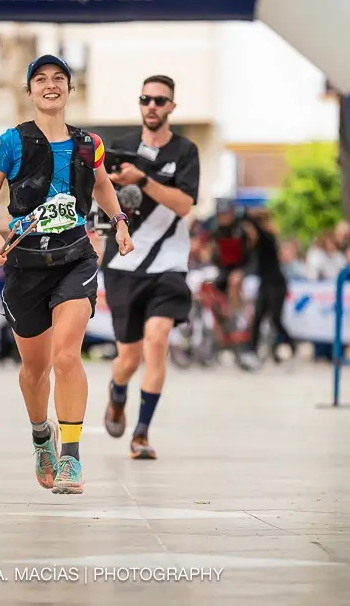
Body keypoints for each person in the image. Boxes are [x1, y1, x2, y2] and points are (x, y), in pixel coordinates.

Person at [0, 54, 134, 494]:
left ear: (69, 88)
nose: (50, 85)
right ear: (29, 92)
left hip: (75, 259)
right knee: (35, 370)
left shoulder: (89, 144)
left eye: (58, 79)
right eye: (40, 79)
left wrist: (119, 222)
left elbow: (101, 185)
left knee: (67, 355)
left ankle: (71, 458)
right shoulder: (11, 142)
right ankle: (41, 435)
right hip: (25, 266)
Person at [100, 74, 200, 460]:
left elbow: (183, 205)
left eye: (161, 100)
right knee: (128, 358)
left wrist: (142, 179)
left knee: (157, 341)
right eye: (146, 99)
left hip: (169, 264)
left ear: (172, 107)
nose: (153, 106)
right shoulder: (119, 148)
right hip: (124, 263)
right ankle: (118, 392)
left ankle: (141, 434)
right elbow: (98, 194)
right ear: (139, 104)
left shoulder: (186, 151)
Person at [239, 209, 297, 368]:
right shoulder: (258, 240)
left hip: (276, 284)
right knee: (258, 317)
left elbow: (256, 231)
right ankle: (251, 351)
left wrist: (249, 218)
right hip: (265, 283)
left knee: (275, 318)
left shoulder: (268, 237)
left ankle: (291, 346)